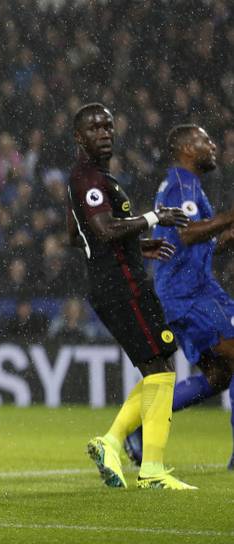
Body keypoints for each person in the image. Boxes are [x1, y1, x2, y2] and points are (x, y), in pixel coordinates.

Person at [66, 103, 193, 490]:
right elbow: (102, 230)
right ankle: (150, 468)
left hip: (115, 281)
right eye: (95, 127)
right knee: (161, 369)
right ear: (79, 137)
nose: (105, 132)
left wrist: (140, 245)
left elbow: (78, 235)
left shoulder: (92, 178)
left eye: (108, 124)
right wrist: (155, 217)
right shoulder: (89, 179)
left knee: (158, 368)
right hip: (123, 285)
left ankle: (112, 443)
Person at [124, 125, 234, 470]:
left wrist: (223, 236)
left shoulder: (186, 185)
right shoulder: (182, 184)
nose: (212, 145)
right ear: (186, 148)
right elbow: (186, 234)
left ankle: (138, 425)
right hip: (190, 293)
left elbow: (190, 240)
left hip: (189, 290)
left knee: (219, 376)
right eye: (205, 140)